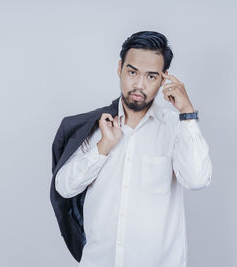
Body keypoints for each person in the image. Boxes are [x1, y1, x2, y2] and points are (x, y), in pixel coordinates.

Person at [54, 31, 212, 267]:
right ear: (120, 68)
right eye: (132, 72)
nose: (139, 84)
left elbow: (197, 180)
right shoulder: (96, 127)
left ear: (163, 79)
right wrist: (103, 147)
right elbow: (64, 188)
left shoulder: (176, 127)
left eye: (151, 76)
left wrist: (187, 114)